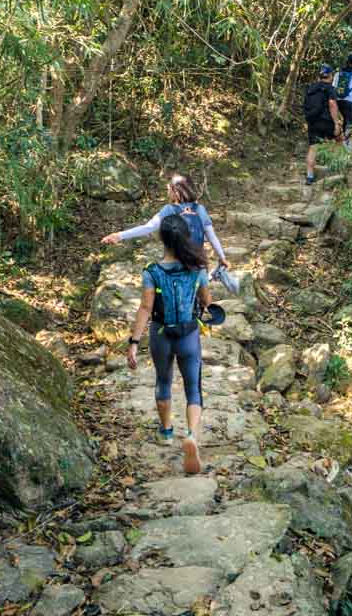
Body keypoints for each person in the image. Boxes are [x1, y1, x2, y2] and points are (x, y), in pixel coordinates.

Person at [126, 214, 212, 475]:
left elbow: (145, 308)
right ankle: (192, 435)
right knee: (193, 388)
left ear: (162, 239)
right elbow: (206, 301)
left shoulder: (151, 271)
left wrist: (133, 342)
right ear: (186, 236)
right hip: (189, 336)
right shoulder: (197, 268)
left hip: (161, 334)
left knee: (163, 381)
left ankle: (166, 432)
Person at [101, 173, 229, 269]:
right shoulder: (200, 209)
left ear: (176, 191)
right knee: (200, 295)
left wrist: (119, 235)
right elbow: (212, 237)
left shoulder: (169, 209)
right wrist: (222, 258)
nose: (168, 193)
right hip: (197, 264)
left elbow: (148, 228)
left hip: (175, 264)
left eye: (169, 190)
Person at [302, 64, 342, 185]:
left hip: (313, 122)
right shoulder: (330, 89)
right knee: (339, 138)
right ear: (330, 75)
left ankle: (309, 176)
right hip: (326, 122)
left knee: (313, 147)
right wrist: (336, 124)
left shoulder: (311, 88)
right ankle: (337, 166)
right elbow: (332, 104)